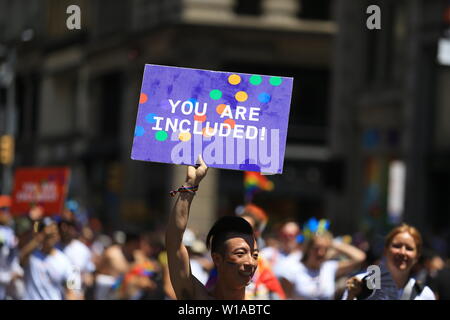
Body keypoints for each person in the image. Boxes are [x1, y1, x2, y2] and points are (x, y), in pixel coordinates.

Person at [166, 155, 259, 300]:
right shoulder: (197, 297)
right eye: (240, 253)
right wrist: (190, 184)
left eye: (255, 255)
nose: (250, 262)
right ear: (217, 259)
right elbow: (174, 243)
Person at [344, 223, 435, 300]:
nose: (402, 252)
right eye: (397, 246)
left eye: (409, 248)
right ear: (385, 250)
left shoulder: (424, 294)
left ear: (417, 256)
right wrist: (351, 296)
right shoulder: (362, 285)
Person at [279, 226, 366, 300]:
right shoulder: (294, 269)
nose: (320, 253)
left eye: (325, 249)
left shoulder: (329, 267)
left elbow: (359, 257)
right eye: (316, 248)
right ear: (308, 249)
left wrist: (332, 243)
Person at [19, 217, 81, 300]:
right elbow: (22, 257)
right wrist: (42, 235)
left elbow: (71, 290)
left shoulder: (65, 261)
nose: (50, 237)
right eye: (48, 235)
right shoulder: (32, 256)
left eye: (54, 234)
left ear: (58, 236)